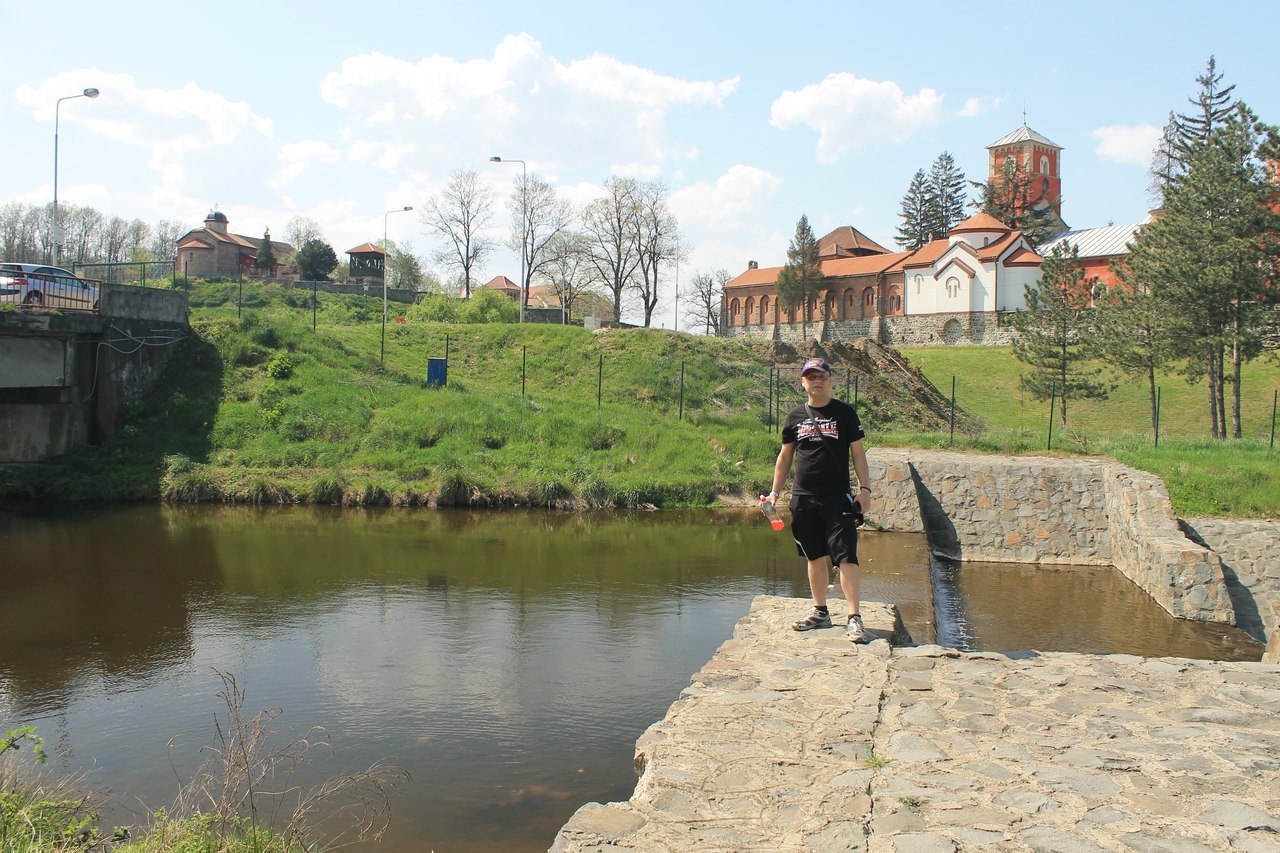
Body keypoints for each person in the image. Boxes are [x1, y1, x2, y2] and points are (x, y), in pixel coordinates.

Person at [763, 357, 874, 642]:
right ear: (803, 382)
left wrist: (865, 490)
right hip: (803, 497)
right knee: (814, 556)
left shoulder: (845, 414)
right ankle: (820, 611)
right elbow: (785, 457)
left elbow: (858, 454)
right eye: (810, 377)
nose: (816, 381)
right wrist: (774, 493)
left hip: (837, 498)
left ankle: (854, 617)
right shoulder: (795, 417)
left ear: (830, 380)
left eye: (821, 376)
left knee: (846, 557)